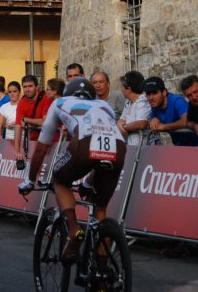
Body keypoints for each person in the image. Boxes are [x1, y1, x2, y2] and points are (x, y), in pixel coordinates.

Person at [18, 78, 126, 265]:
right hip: (118, 148)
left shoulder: (59, 102)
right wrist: (87, 183)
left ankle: (74, 228)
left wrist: (30, 180)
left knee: (59, 179)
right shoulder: (104, 105)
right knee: (100, 209)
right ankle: (101, 273)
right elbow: (102, 156)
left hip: (84, 143)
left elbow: (42, 149)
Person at [145, 76, 198, 146]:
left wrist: (164, 127)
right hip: (181, 148)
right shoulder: (155, 105)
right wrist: (153, 119)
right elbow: (149, 118)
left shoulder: (177, 101)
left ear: (164, 92)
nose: (151, 97)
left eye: (154, 93)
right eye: (148, 94)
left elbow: (186, 120)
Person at [14, 75, 51, 159]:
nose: (27, 89)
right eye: (25, 87)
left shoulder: (46, 98)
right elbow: (18, 127)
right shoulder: (22, 102)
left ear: (36, 87)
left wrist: (26, 119)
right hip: (33, 141)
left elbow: (45, 121)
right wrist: (17, 151)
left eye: (30, 86)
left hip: (50, 141)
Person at [117, 71, 152, 146]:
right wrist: (119, 124)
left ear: (128, 89)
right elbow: (122, 119)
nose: (121, 89)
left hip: (146, 148)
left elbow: (141, 123)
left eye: (122, 87)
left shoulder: (144, 100)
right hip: (133, 146)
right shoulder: (128, 102)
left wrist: (124, 127)